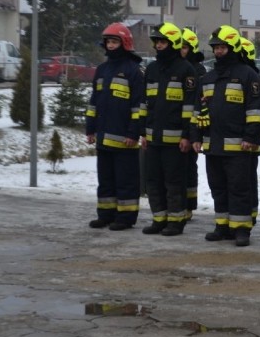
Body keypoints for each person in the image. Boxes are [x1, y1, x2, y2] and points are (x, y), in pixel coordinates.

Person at [191, 25, 260, 247]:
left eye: (222, 47)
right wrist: (196, 136)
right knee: (218, 187)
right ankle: (222, 225)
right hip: (213, 145)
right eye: (216, 47)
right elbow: (197, 112)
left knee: (239, 188)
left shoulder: (248, 76)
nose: (218, 51)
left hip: (239, 147)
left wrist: (251, 138)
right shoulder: (207, 78)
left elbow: (259, 111)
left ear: (233, 47)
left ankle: (242, 229)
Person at [139, 22, 198, 236]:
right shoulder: (152, 69)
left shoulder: (186, 69)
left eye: (163, 41)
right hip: (153, 138)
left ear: (172, 43)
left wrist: (186, 135)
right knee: (153, 181)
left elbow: (190, 107)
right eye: (157, 42)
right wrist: (143, 133)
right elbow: (145, 103)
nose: (159, 45)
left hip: (175, 141)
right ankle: (159, 218)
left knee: (174, 182)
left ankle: (176, 221)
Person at [85, 22, 146, 231]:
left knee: (126, 180)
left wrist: (133, 133)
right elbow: (94, 102)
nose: (110, 45)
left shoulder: (134, 71)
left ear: (124, 43)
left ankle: (126, 218)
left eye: (114, 41)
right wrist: (90, 128)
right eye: (108, 42)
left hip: (124, 139)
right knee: (106, 179)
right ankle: (105, 215)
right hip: (103, 136)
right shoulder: (102, 70)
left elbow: (139, 107)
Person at [239, 36, 260, 226]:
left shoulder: (254, 80)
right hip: (234, 141)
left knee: (247, 182)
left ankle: (250, 214)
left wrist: (252, 137)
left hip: (248, 143)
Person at [180, 27, 206, 221]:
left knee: (188, 168)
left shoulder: (198, 71)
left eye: (185, 47)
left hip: (190, 126)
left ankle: (188, 205)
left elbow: (198, 103)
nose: (181, 50)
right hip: (174, 125)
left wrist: (193, 133)